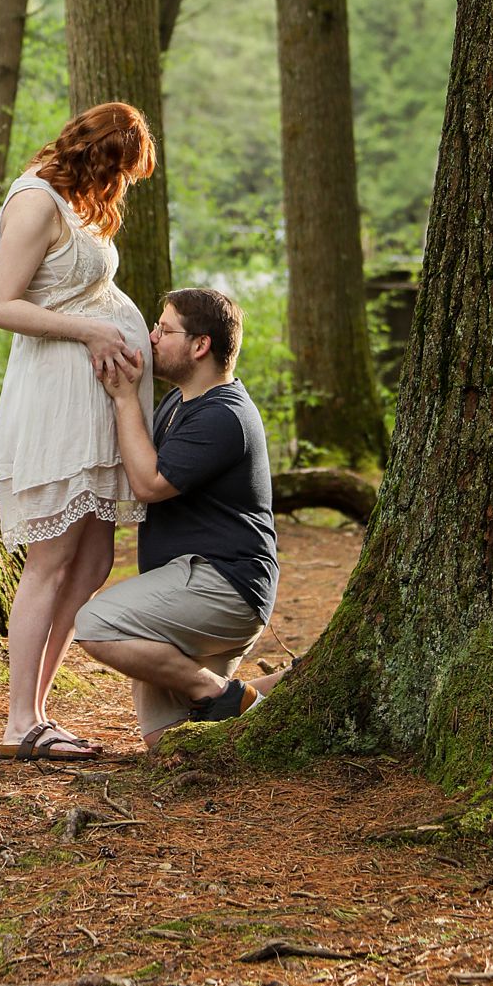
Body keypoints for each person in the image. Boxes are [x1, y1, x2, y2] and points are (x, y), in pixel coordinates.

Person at [0, 103, 157, 760]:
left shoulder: (81, 201)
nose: (124, 183)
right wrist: (91, 329)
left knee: (93, 560)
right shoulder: (36, 200)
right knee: (51, 560)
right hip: (56, 399)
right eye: (121, 168)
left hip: (96, 405)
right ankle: (18, 720)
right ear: (96, 154)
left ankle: (40, 711)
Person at [74, 287, 279, 750]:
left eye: (164, 330)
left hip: (223, 586)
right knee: (169, 742)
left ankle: (212, 688)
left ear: (200, 345)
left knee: (94, 624)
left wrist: (125, 399)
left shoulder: (223, 415)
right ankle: (291, 687)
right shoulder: (180, 402)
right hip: (187, 591)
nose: (151, 337)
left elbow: (149, 484)